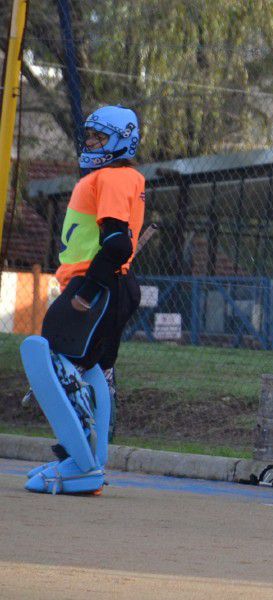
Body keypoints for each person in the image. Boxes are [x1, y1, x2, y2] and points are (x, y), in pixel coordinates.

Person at [20, 105, 144, 494]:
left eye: (100, 137)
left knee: (51, 354)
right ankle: (87, 460)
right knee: (92, 372)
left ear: (123, 139)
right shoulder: (115, 177)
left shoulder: (110, 177)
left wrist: (88, 291)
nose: (91, 143)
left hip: (98, 285)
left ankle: (82, 463)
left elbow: (117, 242)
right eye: (89, 136)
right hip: (112, 286)